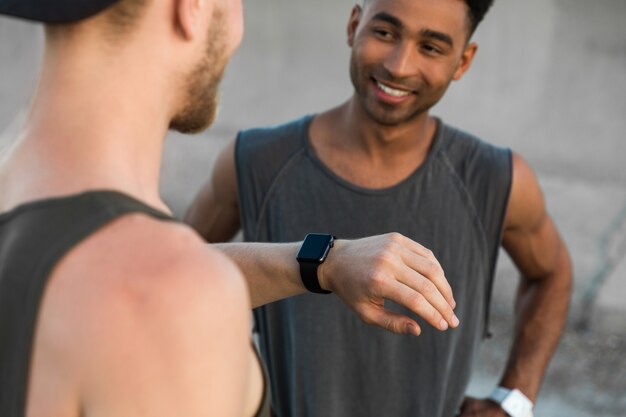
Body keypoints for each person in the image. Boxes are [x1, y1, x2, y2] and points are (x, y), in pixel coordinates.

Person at [0, 0, 462, 416]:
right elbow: (158, 282)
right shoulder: (169, 299)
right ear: (191, 8)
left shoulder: (34, 211)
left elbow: (110, 266)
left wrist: (324, 262)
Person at [185, 0, 573, 416]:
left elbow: (551, 274)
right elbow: (172, 274)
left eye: (431, 47)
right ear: (354, 25)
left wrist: (514, 397)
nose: (399, 65)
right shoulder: (255, 161)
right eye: (385, 33)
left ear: (463, 61)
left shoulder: (498, 178)